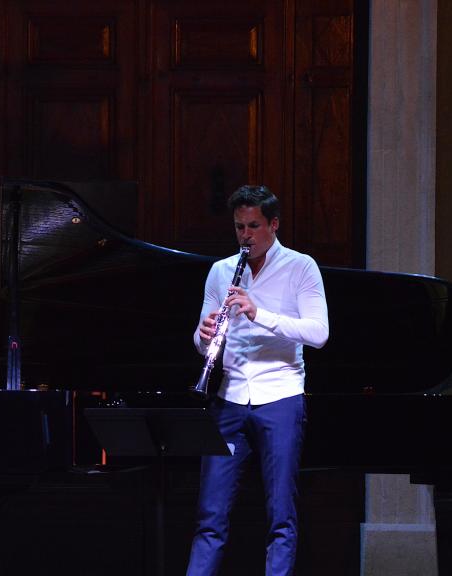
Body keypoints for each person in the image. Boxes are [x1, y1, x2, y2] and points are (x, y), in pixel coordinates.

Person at [185, 185, 329, 576]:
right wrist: (203, 335)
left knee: (280, 513)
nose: (245, 235)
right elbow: (205, 344)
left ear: (273, 224)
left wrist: (257, 312)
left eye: (253, 226)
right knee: (210, 515)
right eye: (239, 227)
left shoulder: (301, 267)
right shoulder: (221, 271)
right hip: (229, 396)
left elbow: (318, 333)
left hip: (280, 396)